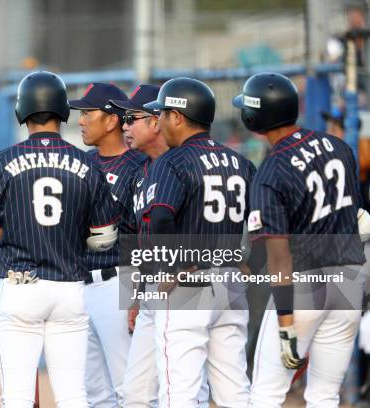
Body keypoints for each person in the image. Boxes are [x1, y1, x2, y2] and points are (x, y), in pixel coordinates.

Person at [0, 71, 119, 408]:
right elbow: (103, 237)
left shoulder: (2, 161)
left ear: (21, 111)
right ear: (63, 112)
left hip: (21, 284)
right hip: (70, 286)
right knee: (73, 394)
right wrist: (68, 240)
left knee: (17, 396)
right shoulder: (88, 164)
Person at [235, 72, 366, 407]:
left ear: (254, 117)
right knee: (324, 397)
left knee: (265, 394)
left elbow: (279, 258)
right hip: (349, 281)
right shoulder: (338, 146)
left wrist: (286, 323)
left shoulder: (272, 169)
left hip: (306, 286)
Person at [143, 77, 254, 407]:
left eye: (162, 114)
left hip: (188, 285)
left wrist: (174, 266)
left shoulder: (171, 162)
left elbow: (161, 218)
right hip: (230, 281)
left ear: (177, 117)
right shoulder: (241, 162)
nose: (159, 121)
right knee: (235, 390)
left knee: (181, 394)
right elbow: (267, 223)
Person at [69, 82, 145, 407]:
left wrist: (139, 293)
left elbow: (145, 233)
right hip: (79, 285)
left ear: (112, 119)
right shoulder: (80, 164)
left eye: (88, 112)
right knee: (92, 393)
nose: (81, 120)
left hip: (119, 281)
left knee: (129, 388)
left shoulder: (139, 166)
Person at [110, 84, 164, 408]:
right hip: (152, 290)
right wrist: (136, 295)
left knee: (185, 390)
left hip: (188, 286)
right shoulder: (139, 171)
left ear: (157, 121)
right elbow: (134, 238)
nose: (125, 126)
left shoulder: (182, 163)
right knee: (135, 394)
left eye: (132, 118)